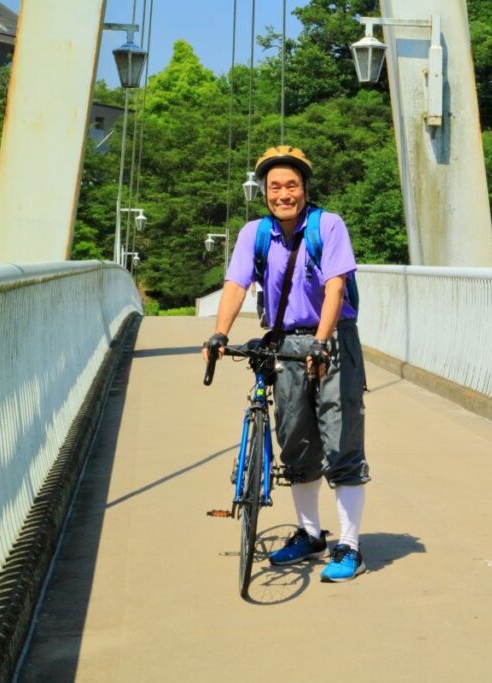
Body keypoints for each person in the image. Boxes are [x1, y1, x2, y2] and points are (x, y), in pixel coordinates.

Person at [202, 145, 370, 582]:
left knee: (340, 438)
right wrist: (220, 333)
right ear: (264, 192)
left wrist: (320, 343)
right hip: (284, 344)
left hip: (332, 338)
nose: (283, 194)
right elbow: (236, 283)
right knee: (295, 438)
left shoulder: (328, 226)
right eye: (274, 187)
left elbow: (335, 287)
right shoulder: (254, 234)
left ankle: (349, 545)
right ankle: (310, 533)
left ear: (305, 189)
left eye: (291, 185)